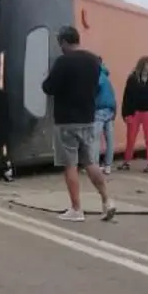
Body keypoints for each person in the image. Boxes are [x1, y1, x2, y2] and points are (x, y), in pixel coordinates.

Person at [41, 26, 115, 222]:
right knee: (90, 162)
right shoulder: (93, 60)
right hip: (88, 119)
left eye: (60, 42)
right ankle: (107, 200)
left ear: (65, 42)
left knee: (70, 165)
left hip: (66, 121)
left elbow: (49, 87)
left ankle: (76, 209)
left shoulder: (63, 62)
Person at [120, 55, 148, 173]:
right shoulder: (133, 79)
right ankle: (127, 161)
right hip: (135, 112)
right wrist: (125, 113)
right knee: (131, 138)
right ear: (143, 65)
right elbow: (127, 97)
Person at [93, 60, 117, 174]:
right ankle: (108, 166)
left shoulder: (97, 77)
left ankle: (95, 165)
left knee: (95, 139)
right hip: (110, 110)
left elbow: (92, 92)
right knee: (110, 140)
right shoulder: (107, 78)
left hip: (99, 110)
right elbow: (113, 96)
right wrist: (114, 112)